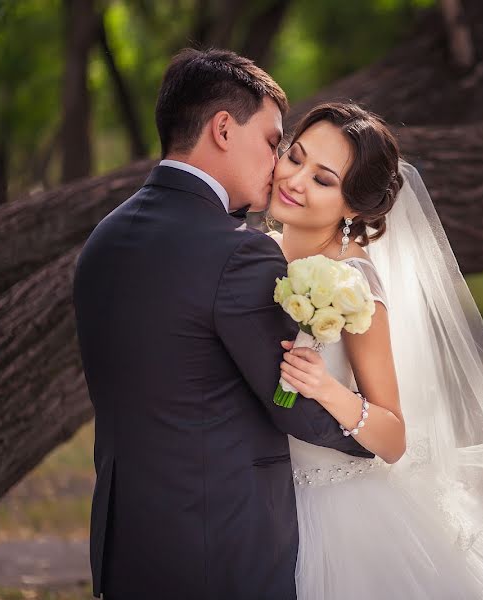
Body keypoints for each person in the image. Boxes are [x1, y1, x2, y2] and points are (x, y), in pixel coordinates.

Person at [72, 49, 369, 600]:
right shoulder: (238, 255)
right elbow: (291, 403)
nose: (279, 162)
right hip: (222, 543)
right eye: (273, 141)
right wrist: (378, 435)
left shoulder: (104, 238)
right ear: (224, 129)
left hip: (126, 541)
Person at [268, 102, 483, 599]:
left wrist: (326, 389)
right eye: (294, 158)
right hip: (263, 496)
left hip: (338, 511)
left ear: (354, 206)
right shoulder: (256, 250)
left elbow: (393, 435)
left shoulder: (353, 284)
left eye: (323, 179)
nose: (294, 181)